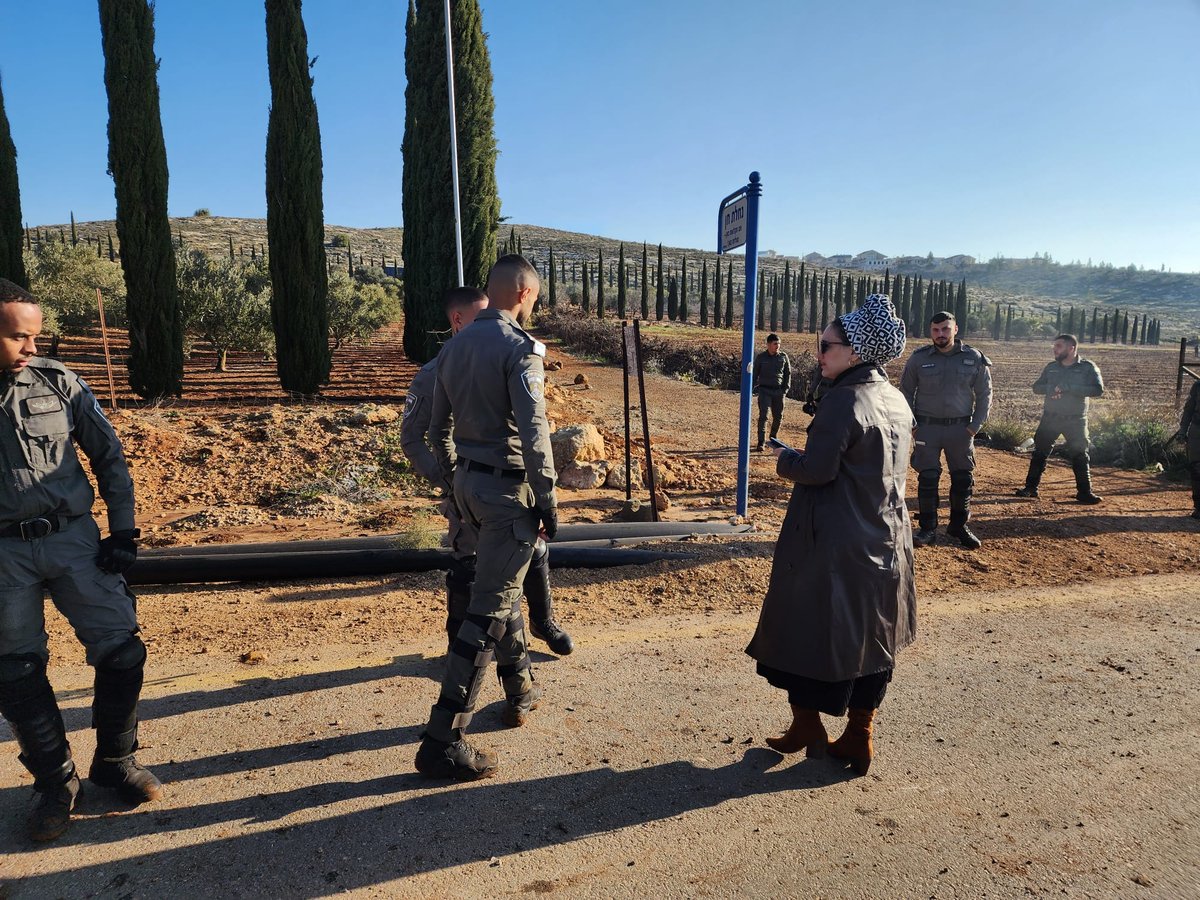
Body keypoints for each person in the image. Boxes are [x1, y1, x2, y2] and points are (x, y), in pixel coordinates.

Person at [0, 278, 162, 842]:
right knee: (15, 670)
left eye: (34, 336)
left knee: (121, 649)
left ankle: (115, 761)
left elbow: (108, 455)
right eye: (19, 337)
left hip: (73, 539)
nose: (30, 348)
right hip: (2, 554)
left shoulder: (57, 381)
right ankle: (54, 783)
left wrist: (124, 531)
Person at [746, 294, 916, 777]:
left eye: (826, 345)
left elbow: (818, 470)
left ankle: (810, 726)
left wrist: (785, 460)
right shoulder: (895, 397)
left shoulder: (844, 399)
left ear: (856, 351)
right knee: (874, 639)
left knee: (804, 631)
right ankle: (858, 736)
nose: (819, 352)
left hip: (835, 541)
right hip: (885, 538)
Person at [415, 255, 558, 781]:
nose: (534, 305)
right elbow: (536, 433)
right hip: (506, 493)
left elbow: (436, 431)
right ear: (523, 292)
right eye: (536, 298)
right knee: (489, 610)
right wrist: (547, 499)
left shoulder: (452, 349)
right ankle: (443, 740)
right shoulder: (520, 349)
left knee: (501, 589)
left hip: (470, 487)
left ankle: (520, 692)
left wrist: (457, 483)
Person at [400, 286, 572, 655]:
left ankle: (542, 624)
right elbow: (414, 438)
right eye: (480, 318)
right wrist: (447, 480)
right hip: (467, 487)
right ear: (458, 320)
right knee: (468, 567)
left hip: (509, 485)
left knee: (534, 552)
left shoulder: (504, 354)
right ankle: (460, 649)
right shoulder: (435, 371)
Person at [899, 311, 992, 549]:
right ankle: (927, 529)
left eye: (945, 329)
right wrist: (913, 426)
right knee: (928, 478)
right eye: (936, 330)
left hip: (961, 430)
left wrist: (974, 427)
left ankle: (958, 526)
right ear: (931, 331)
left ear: (955, 329)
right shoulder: (918, 359)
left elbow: (985, 395)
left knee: (963, 479)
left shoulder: (973, 358)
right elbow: (906, 392)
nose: (940, 334)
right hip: (926, 429)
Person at [1014, 334, 1104, 504]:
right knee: (1039, 453)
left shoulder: (1087, 368)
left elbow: (1098, 390)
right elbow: (1036, 387)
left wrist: (1069, 388)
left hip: (1076, 420)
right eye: (1054, 346)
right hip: (1050, 418)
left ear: (1072, 348)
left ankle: (1085, 493)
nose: (1055, 349)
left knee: (1080, 455)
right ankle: (1030, 488)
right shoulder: (1051, 368)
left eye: (1059, 346)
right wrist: (1051, 389)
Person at [753, 333, 790, 451]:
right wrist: (750, 389)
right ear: (768, 344)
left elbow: (788, 374)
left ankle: (773, 438)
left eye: (779, 344)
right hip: (765, 391)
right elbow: (754, 374)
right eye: (775, 344)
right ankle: (761, 442)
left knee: (778, 416)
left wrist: (785, 389)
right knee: (764, 416)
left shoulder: (783, 357)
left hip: (779, 392)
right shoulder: (761, 358)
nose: (777, 346)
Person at [1173, 377, 1200, 519]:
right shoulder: (1198, 386)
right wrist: (1183, 431)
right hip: (1197, 431)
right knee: (1196, 470)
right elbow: (1188, 410)